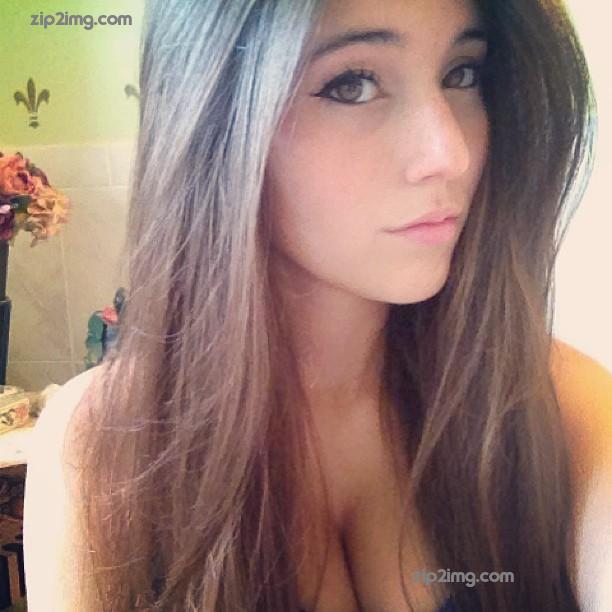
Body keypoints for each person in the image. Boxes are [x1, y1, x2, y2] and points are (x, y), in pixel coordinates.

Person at [22, 0, 612, 610]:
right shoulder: (104, 450)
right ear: (214, 118)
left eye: (462, 74)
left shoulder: (557, 406)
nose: (450, 153)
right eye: (352, 84)